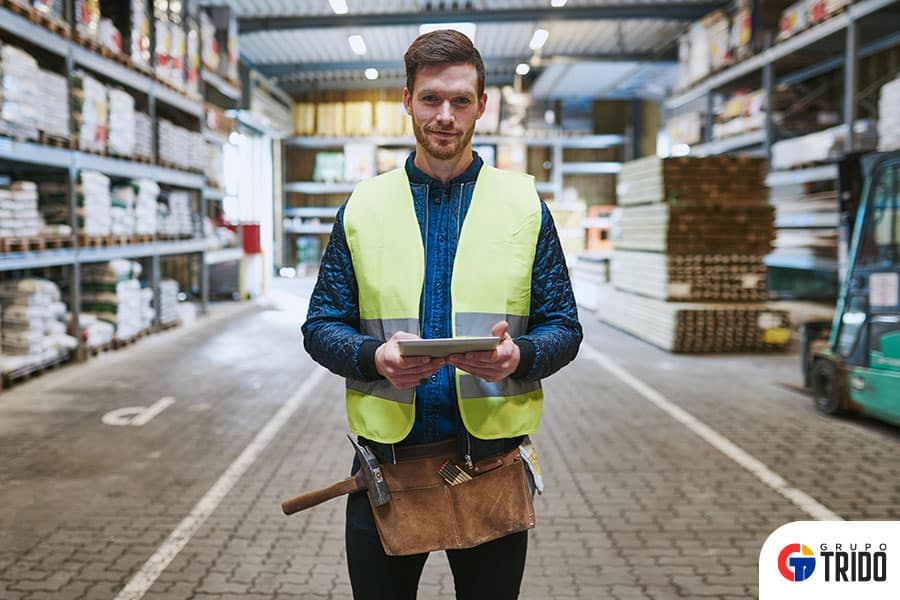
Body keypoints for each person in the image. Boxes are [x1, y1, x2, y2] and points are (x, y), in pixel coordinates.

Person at [302, 29, 582, 600]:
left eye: (460, 100)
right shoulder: (363, 206)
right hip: (387, 467)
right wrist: (373, 357)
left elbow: (564, 326)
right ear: (407, 101)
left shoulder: (524, 206)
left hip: (491, 465)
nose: (445, 116)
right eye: (431, 99)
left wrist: (519, 356)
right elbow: (321, 324)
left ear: (482, 105)